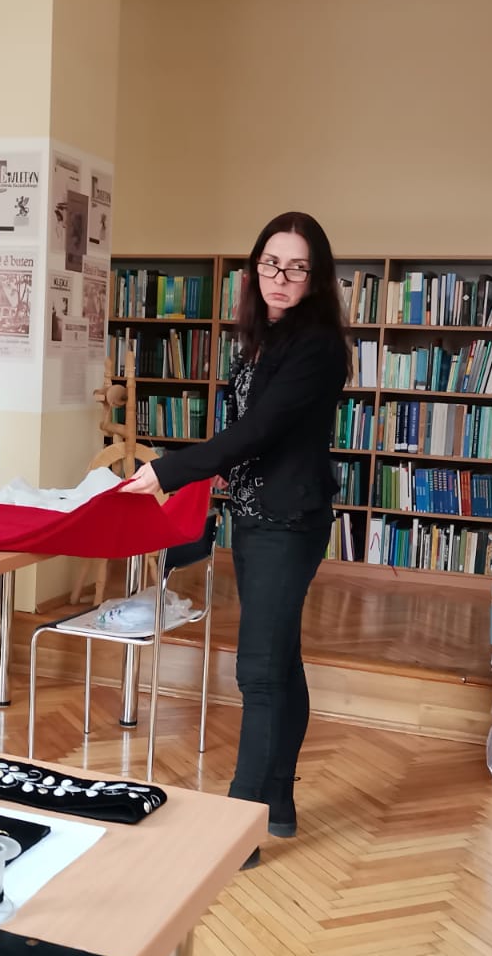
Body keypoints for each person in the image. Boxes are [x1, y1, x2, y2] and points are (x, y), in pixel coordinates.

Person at [122, 211, 349, 862]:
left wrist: (170, 470)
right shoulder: (260, 337)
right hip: (253, 513)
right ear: (254, 269)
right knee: (279, 662)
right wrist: (212, 472)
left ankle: (237, 829)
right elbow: (247, 429)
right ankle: (276, 804)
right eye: (271, 264)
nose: (281, 277)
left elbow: (258, 430)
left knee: (258, 673)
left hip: (288, 520)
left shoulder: (317, 345)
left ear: (316, 277)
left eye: (297, 267)